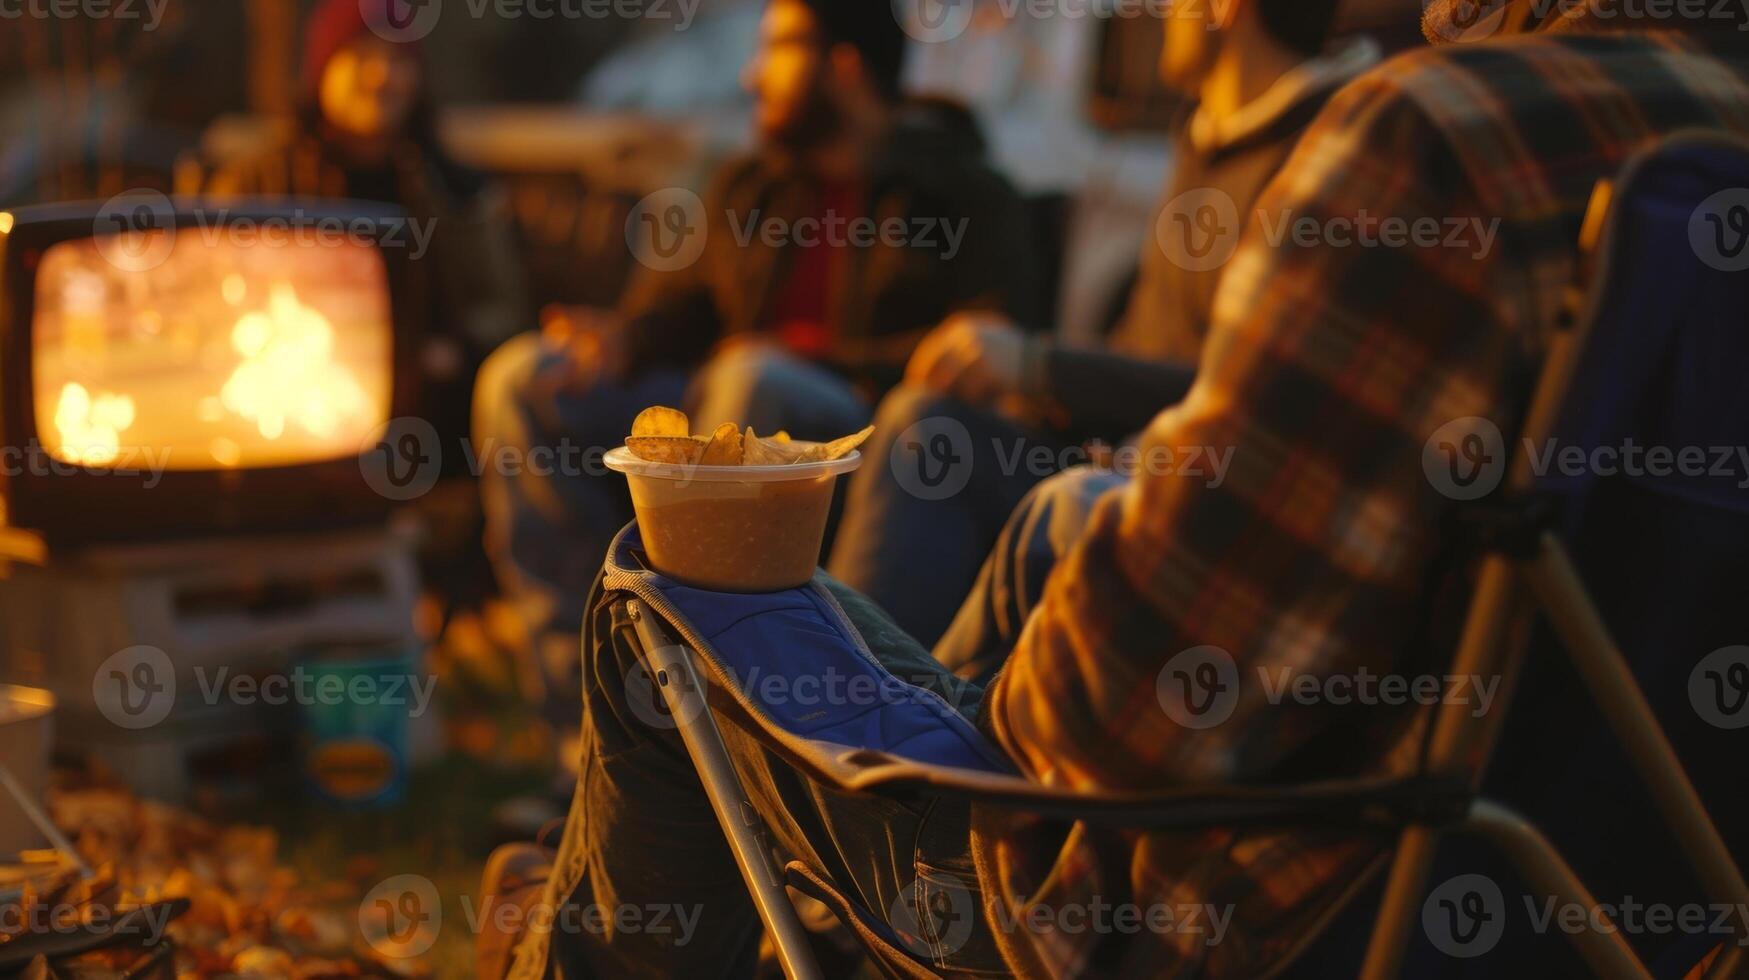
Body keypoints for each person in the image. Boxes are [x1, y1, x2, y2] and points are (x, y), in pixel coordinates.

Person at [494, 1, 1749, 977]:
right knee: (1055, 519)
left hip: (1212, 919)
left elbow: (1111, 719)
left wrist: (1100, 552)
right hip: (1574, 913)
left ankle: (699, 913)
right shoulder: (1712, 140)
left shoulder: (1446, 139)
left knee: (650, 597)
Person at [473, 0, 1040, 662]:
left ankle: (717, 686)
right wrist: (622, 340)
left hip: (858, 430)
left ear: (843, 66)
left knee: (754, 378)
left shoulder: (965, 194)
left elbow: (988, 352)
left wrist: (809, 358)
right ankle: (588, 693)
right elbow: (688, 305)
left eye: (775, 51)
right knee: (522, 378)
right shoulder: (752, 184)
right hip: (723, 402)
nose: (751, 76)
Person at [828, 0, 1378, 647]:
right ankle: (868, 699)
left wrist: (1038, 362)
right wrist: (1029, 388)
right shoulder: (1206, 133)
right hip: (1121, 458)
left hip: (1197, 498)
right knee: (934, 414)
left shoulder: (1320, 155)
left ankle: (846, 699)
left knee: (927, 432)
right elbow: (1144, 347)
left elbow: (1249, 390)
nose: (1156, 16)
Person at [208, 0, 529, 457]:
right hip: (290, 420)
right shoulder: (257, 187)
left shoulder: (458, 193)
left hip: (435, 430)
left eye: (399, 59)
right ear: (322, 69)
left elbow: (503, 312)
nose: (382, 75)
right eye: (361, 54)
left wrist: (457, 349)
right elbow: (216, 318)